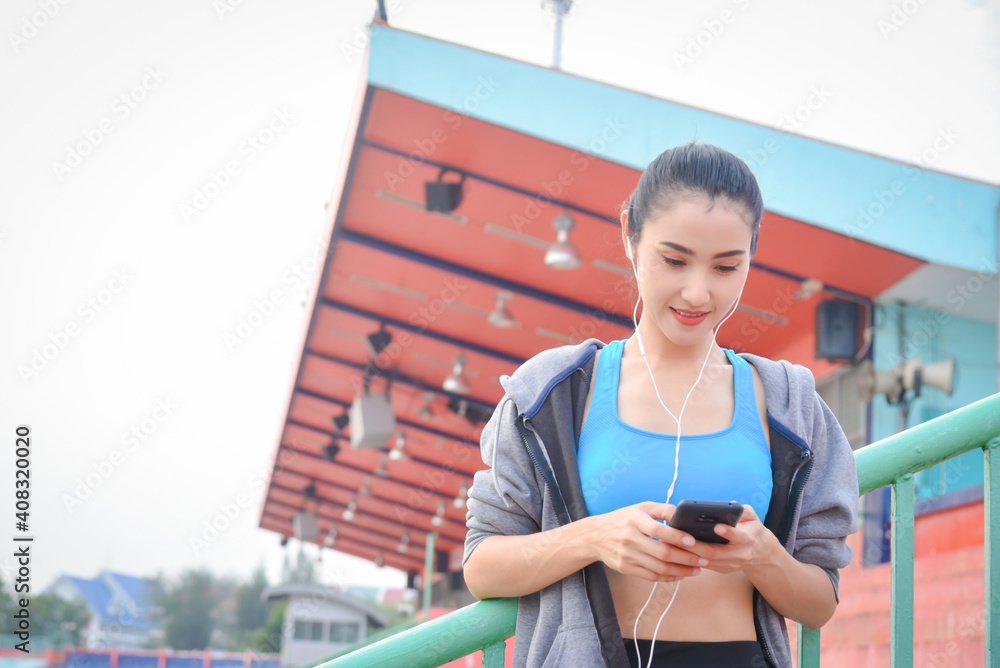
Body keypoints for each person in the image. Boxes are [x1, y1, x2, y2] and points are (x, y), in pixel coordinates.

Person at [462, 141, 860, 668]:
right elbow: (482, 566)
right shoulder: (555, 394)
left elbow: (818, 603)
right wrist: (595, 538)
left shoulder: (789, 403)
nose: (697, 293)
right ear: (630, 234)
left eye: (725, 267)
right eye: (674, 260)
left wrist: (763, 556)